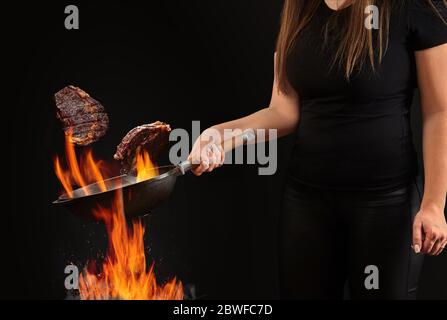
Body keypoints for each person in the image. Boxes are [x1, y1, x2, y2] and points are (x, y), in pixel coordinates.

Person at [188, 0, 447, 299]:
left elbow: (439, 111)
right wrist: (218, 136)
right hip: (307, 203)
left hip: (386, 204)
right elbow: (283, 111)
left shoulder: (413, 7)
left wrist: (433, 205)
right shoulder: (299, 7)